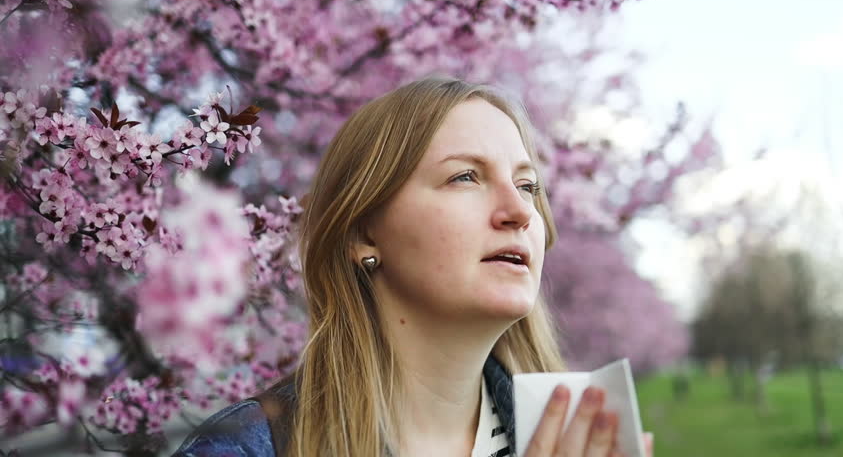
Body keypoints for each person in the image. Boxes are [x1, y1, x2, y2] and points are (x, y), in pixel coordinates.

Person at [172, 76, 653, 457]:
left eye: (527, 186)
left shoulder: (579, 436)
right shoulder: (248, 449)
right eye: (465, 176)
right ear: (363, 233)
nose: (521, 211)